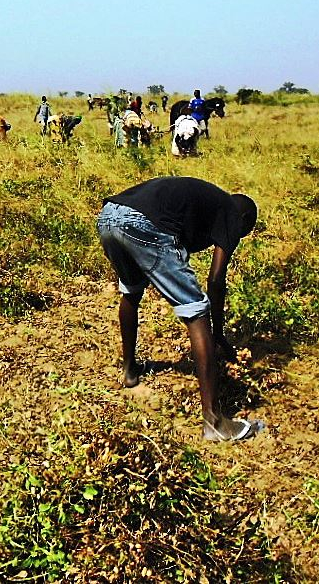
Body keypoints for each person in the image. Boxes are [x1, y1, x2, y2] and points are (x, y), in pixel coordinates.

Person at [97, 177, 261, 441]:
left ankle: (130, 371)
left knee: (131, 289)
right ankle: (214, 422)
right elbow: (216, 280)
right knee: (196, 310)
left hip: (109, 215)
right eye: (241, 233)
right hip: (144, 224)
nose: (235, 238)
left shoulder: (207, 201)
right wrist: (216, 333)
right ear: (243, 220)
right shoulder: (232, 211)